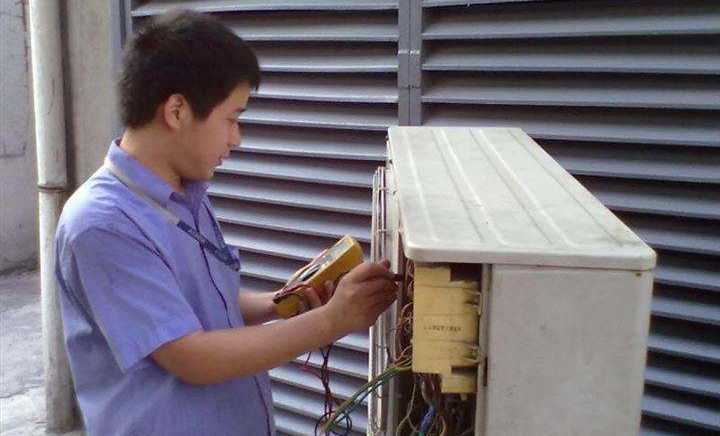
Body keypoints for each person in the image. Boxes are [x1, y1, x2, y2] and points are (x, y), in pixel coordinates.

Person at [54, 10, 397, 436]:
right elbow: (191, 356)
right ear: (177, 111)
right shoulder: (101, 224)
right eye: (231, 119)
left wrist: (278, 302)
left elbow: (198, 305)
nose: (236, 138)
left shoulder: (186, 192)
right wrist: (333, 321)